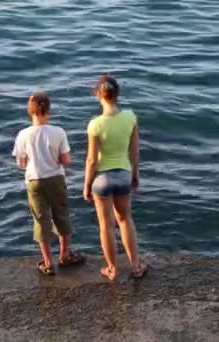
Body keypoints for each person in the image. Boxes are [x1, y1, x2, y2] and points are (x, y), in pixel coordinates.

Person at [13, 91, 86, 275]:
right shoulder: (58, 132)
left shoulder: (23, 135)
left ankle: (47, 263)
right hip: (56, 179)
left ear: (30, 112)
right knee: (61, 215)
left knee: (41, 219)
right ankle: (64, 255)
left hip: (34, 180)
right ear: (48, 111)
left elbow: (21, 163)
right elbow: (66, 160)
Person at [83, 75, 148, 280]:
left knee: (106, 225)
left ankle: (112, 269)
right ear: (117, 94)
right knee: (125, 220)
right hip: (124, 176)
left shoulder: (95, 124)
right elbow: (135, 151)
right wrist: (135, 175)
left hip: (102, 180)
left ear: (98, 96)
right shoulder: (130, 117)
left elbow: (92, 160)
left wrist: (86, 185)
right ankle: (136, 267)